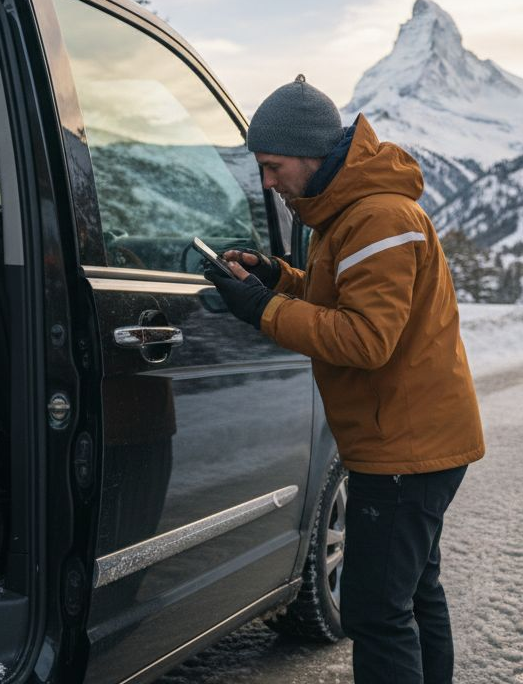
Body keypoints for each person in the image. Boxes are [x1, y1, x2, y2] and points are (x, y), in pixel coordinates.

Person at [203, 75, 485, 683]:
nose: (268, 182)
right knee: (413, 594)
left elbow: (366, 338)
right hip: (415, 441)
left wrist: (261, 310)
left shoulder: (377, 219)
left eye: (274, 166)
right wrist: (277, 279)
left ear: (310, 153)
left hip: (403, 451)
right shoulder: (356, 213)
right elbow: (343, 298)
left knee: (377, 611)